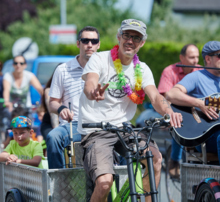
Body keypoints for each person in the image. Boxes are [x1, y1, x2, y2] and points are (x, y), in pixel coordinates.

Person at [77, 19, 182, 202]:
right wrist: (93, 92)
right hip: (96, 131)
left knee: (155, 159)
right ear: (119, 37)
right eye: (126, 35)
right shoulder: (100, 59)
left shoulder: (142, 69)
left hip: (125, 130)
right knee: (104, 183)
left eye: (136, 37)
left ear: (142, 43)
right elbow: (90, 82)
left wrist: (170, 112)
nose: (130, 40)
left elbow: (155, 97)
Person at [46, 26, 101, 169]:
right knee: (53, 137)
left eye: (94, 41)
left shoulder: (107, 69)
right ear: (78, 43)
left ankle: (125, 187)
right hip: (75, 125)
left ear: (98, 44)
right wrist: (61, 108)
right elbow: (52, 103)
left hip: (101, 124)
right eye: (85, 40)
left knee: (129, 141)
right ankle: (59, 183)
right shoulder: (63, 69)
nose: (90, 45)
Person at [166, 41, 220, 165]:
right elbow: (171, 94)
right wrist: (200, 104)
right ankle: (174, 161)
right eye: (219, 55)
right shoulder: (196, 77)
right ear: (208, 58)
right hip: (206, 137)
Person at [157, 44, 201, 178]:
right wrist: (169, 115)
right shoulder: (169, 71)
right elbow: (165, 97)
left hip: (197, 112)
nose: (196, 61)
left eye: (197, 57)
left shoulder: (200, 71)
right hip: (176, 110)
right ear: (181, 58)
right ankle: (174, 160)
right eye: (191, 57)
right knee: (178, 122)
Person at [40, 73, 59, 141]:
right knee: (53, 139)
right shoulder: (49, 90)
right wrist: (57, 131)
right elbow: (53, 114)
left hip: (67, 124)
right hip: (50, 124)